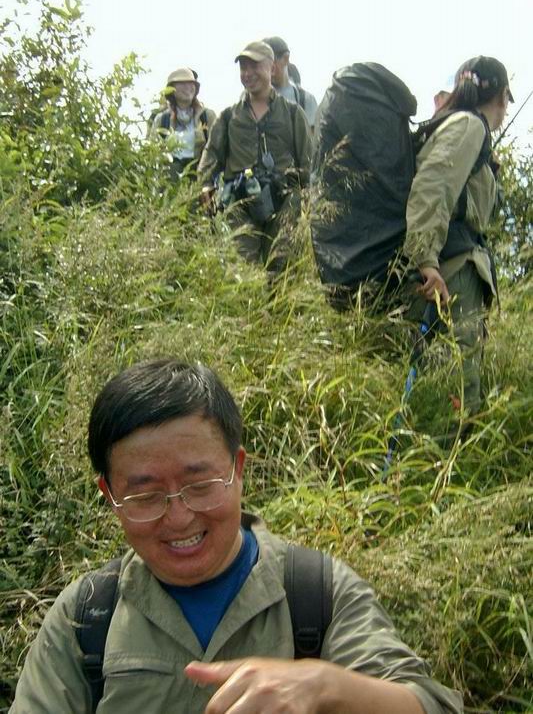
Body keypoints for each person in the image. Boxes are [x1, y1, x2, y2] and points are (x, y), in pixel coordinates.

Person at [10, 359, 463, 713]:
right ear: (109, 495)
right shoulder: (86, 618)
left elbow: (429, 704)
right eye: (145, 496)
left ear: (238, 470)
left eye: (200, 485)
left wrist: (326, 687)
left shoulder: (317, 593)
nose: (179, 518)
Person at [403, 55, 513, 418]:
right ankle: (449, 449)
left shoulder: (456, 123)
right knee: (458, 381)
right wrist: (426, 261)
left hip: (446, 265)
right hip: (453, 270)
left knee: (438, 374)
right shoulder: (470, 126)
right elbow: (433, 186)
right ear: (502, 97)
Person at [198, 41, 311, 279]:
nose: (248, 73)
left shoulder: (293, 113)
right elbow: (212, 154)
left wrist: (308, 197)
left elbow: (308, 162)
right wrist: (206, 185)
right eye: (243, 68)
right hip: (240, 203)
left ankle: (279, 304)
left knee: (282, 269)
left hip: (283, 202)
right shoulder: (229, 117)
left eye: (254, 66)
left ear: (272, 68)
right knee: (241, 272)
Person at [150, 67, 216, 179]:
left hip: (199, 175)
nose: (188, 87)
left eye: (191, 83)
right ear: (172, 90)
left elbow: (217, 148)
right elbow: (152, 152)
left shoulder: (207, 116)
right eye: (182, 83)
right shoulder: (162, 119)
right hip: (169, 177)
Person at [263, 36, 319, 129]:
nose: (267, 69)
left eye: (270, 63)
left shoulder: (304, 99)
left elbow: (312, 135)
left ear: (286, 59)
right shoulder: (255, 98)